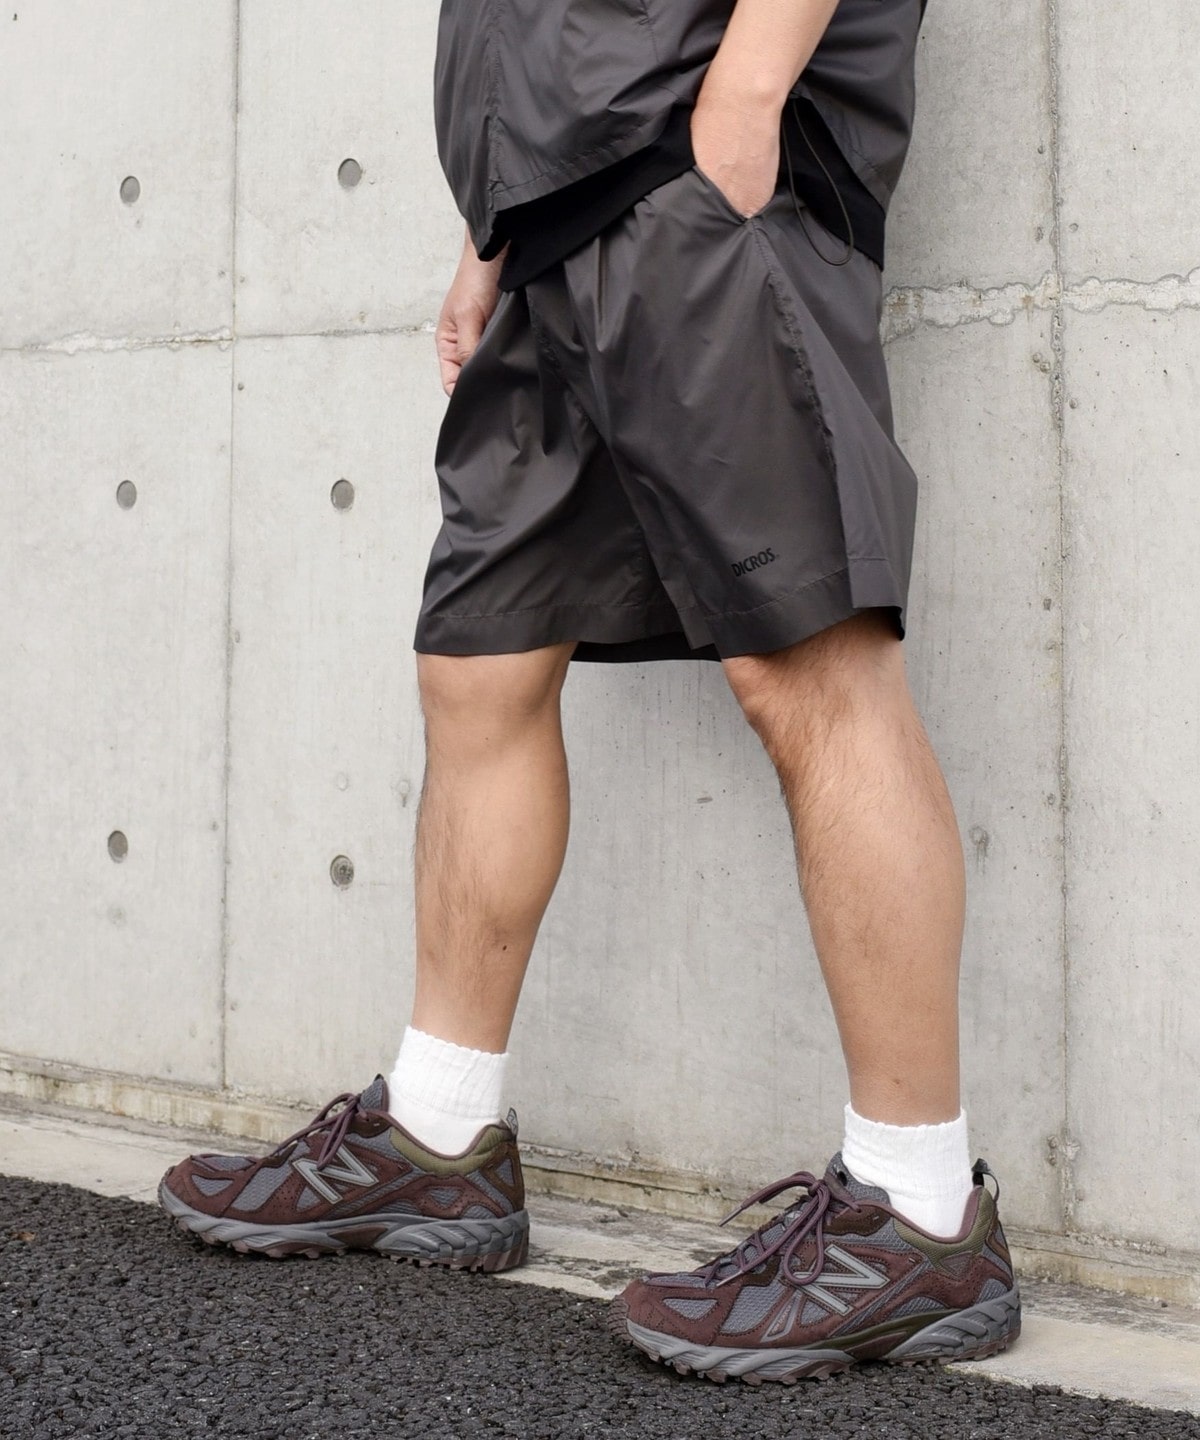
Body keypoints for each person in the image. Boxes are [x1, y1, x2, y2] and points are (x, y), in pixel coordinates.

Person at [159, 0, 1022, 1383]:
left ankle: (919, 1215)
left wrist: (745, 99)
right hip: (553, 208)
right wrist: (487, 231)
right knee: (479, 661)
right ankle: (439, 1133)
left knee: (809, 664)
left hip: (690, 168)